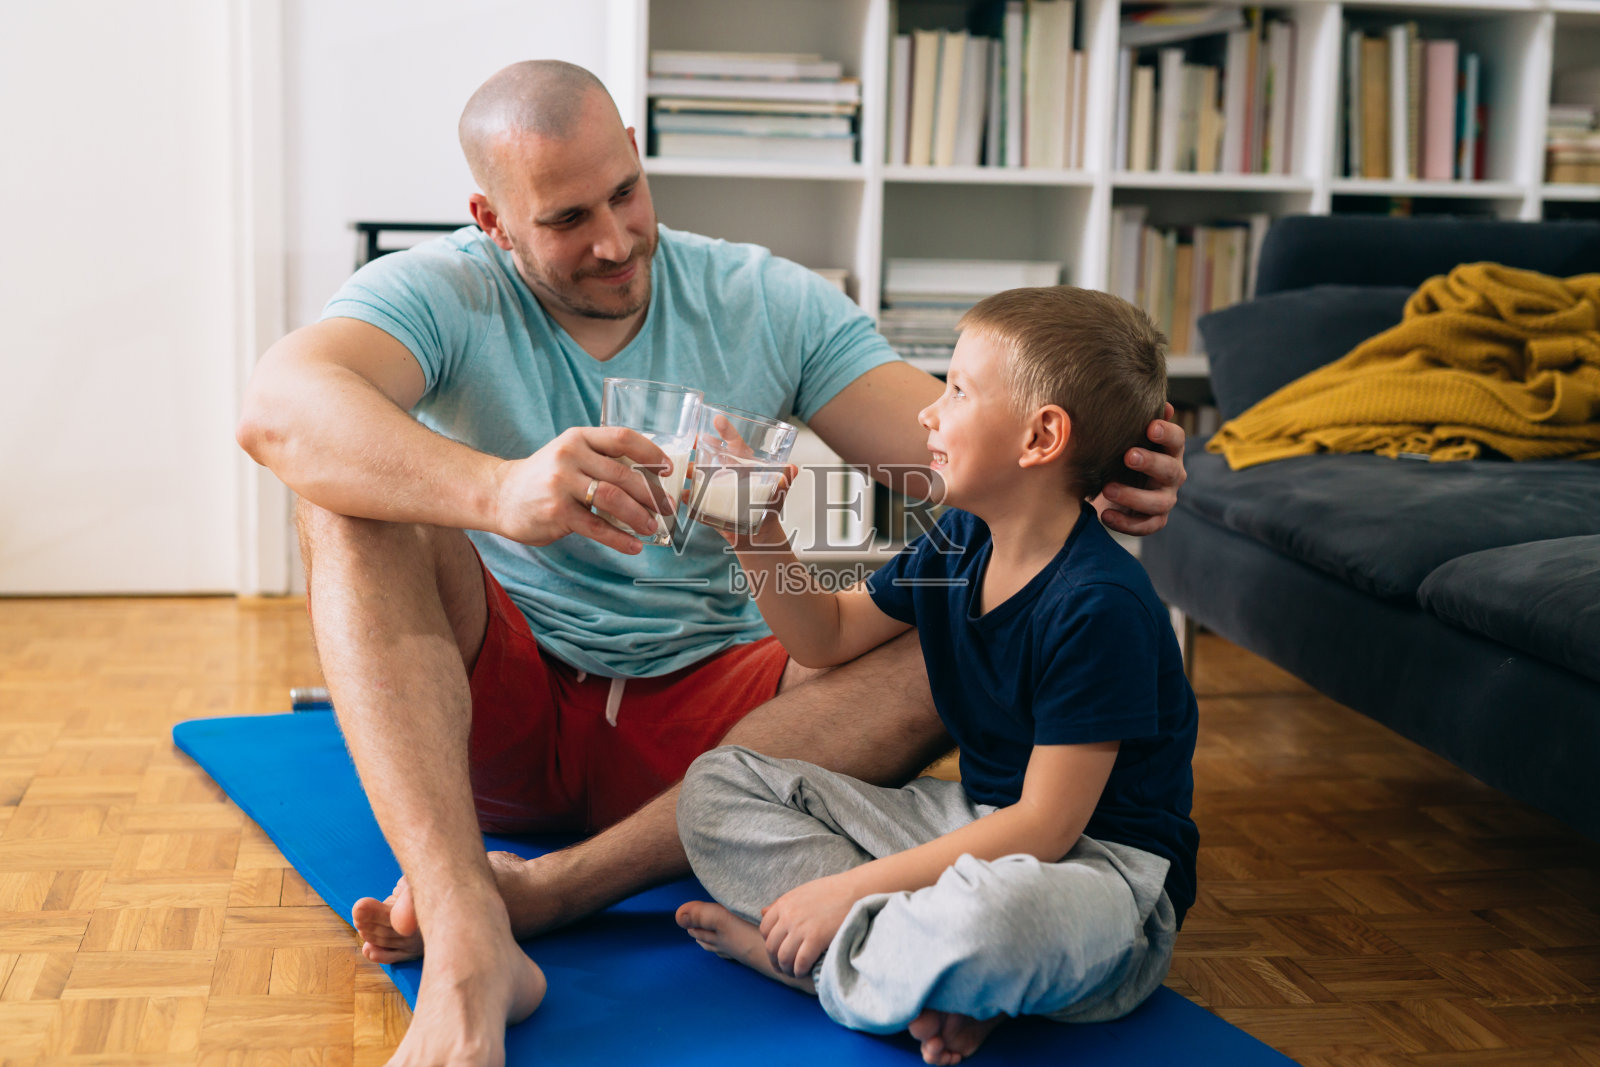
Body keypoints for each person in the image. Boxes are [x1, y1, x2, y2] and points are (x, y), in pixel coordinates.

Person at [235, 59, 1189, 1067]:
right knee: (343, 497)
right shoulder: (436, 291)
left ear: (640, 161)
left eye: (624, 193)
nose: (612, 240)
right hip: (502, 709)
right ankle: (471, 933)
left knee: (968, 609)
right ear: (491, 217)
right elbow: (277, 410)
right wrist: (498, 490)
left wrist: (1110, 454)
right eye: (565, 219)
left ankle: (558, 890)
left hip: (716, 726)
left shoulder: (762, 297)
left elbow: (965, 455)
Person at [675, 286, 1199, 1066]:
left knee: (996, 922)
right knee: (713, 792)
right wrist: (760, 532)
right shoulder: (960, 541)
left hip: (1100, 871)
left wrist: (847, 888)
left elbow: (1046, 829)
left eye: (955, 389)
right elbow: (828, 636)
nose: (928, 412)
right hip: (972, 820)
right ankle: (927, 978)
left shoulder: (1101, 605)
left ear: (1041, 435)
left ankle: (819, 960)